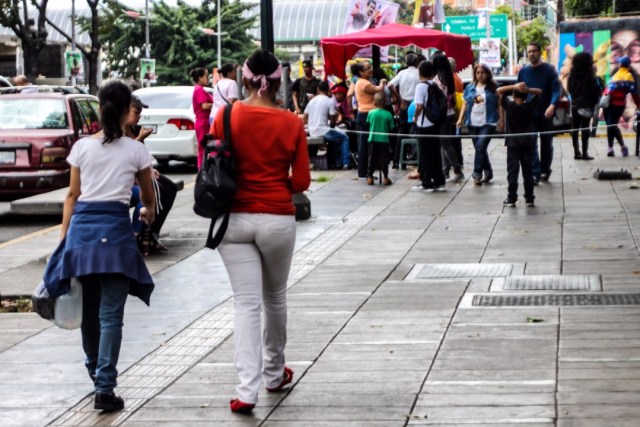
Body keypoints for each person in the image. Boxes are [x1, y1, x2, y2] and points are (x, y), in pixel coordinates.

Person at [208, 49, 311, 414]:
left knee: (246, 304)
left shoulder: (226, 114)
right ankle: (273, 373)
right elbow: (301, 181)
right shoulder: (291, 123)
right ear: (278, 82)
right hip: (277, 220)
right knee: (275, 299)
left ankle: (246, 392)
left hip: (234, 219)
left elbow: (212, 161)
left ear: (245, 79)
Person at [60, 80, 156, 412]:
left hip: (82, 233)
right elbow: (147, 196)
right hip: (115, 233)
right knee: (111, 314)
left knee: (89, 312)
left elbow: (72, 196)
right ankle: (104, 385)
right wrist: (149, 212)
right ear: (126, 109)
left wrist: (64, 239)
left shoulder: (82, 147)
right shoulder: (136, 150)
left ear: (100, 108)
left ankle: (95, 373)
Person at [125, 95, 178, 255]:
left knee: (169, 187)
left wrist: (149, 168)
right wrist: (140, 138)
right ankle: (137, 237)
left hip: (138, 176)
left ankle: (153, 231)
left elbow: (140, 155)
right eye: (136, 112)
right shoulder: (117, 131)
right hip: (126, 180)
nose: (139, 116)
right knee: (151, 193)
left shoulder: (135, 129)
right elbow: (122, 156)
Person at [517, 42, 562, 183]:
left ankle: (545, 170)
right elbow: (518, 91)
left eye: (534, 51)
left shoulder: (549, 69)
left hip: (546, 113)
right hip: (529, 113)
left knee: (546, 142)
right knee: (531, 143)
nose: (531, 54)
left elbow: (556, 89)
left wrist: (552, 105)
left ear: (540, 52)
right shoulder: (523, 71)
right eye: (529, 51)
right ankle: (535, 172)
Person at [497, 82, 542, 207]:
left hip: (512, 144)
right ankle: (529, 197)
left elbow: (499, 90)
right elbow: (539, 92)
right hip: (527, 143)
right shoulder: (529, 107)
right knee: (528, 172)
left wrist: (514, 86)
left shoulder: (509, 106)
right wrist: (528, 89)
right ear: (526, 97)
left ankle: (512, 197)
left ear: (513, 95)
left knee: (512, 172)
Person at [457, 63, 499, 186]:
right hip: (472, 122)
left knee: (480, 147)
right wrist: (460, 119)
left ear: (487, 74)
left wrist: (501, 121)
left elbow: (499, 104)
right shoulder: (470, 87)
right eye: (478, 73)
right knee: (480, 149)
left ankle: (477, 174)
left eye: (482, 72)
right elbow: (465, 104)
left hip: (488, 122)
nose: (480, 75)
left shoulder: (493, 87)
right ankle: (488, 171)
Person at [411, 60, 446, 193]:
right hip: (435, 123)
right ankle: (439, 180)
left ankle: (426, 182)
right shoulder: (435, 85)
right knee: (435, 152)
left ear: (419, 72)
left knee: (425, 154)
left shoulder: (420, 87)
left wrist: (415, 118)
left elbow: (419, 105)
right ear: (432, 73)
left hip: (424, 124)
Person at [304, 81, 351, 169]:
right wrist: (332, 125)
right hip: (323, 131)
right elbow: (333, 120)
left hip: (312, 130)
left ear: (318, 90)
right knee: (344, 138)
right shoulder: (329, 101)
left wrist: (311, 123)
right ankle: (346, 163)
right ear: (328, 90)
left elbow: (305, 116)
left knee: (336, 139)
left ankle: (337, 163)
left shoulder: (312, 101)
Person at [432, 52, 464, 182]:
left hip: (442, 115)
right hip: (450, 113)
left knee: (445, 144)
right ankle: (445, 170)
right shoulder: (449, 77)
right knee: (444, 143)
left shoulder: (438, 79)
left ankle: (457, 169)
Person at [354, 61, 387, 179]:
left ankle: (367, 172)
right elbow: (379, 90)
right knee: (366, 144)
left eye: (370, 67)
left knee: (367, 144)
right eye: (367, 68)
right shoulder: (363, 83)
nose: (370, 70)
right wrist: (382, 82)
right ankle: (364, 172)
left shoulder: (363, 82)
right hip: (366, 114)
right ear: (361, 72)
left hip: (366, 113)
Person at [603, 56, 640, 157]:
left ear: (621, 65)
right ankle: (614, 147)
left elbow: (634, 93)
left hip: (615, 104)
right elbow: (635, 94)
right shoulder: (619, 75)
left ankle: (618, 147)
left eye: (619, 63)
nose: (618, 64)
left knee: (611, 125)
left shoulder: (627, 76)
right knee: (611, 126)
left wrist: (638, 105)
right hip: (609, 104)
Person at [388, 53, 420, 169]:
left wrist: (399, 98)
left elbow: (390, 85)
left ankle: (397, 161)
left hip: (404, 104)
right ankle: (414, 158)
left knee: (401, 132)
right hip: (416, 104)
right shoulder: (419, 73)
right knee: (415, 131)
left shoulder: (402, 73)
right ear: (416, 63)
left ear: (406, 63)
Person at [567, 52, 601, 160]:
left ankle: (576, 152)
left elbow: (569, 89)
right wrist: (592, 103)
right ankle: (585, 153)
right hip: (586, 107)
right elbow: (595, 91)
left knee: (575, 129)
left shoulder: (572, 74)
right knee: (585, 129)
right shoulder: (589, 75)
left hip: (575, 106)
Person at [366, 92, 394, 185]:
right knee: (384, 159)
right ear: (385, 102)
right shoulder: (388, 114)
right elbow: (392, 127)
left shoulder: (371, 113)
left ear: (374, 102)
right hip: (384, 140)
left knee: (372, 158)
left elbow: (368, 122)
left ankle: (370, 177)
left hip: (372, 139)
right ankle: (385, 177)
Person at [190, 67, 213, 169]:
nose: (208, 78)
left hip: (204, 121)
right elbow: (204, 106)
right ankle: (202, 170)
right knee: (203, 149)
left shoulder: (200, 89)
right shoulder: (199, 90)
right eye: (206, 76)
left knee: (204, 148)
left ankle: (203, 170)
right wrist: (216, 104)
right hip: (203, 122)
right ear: (200, 78)